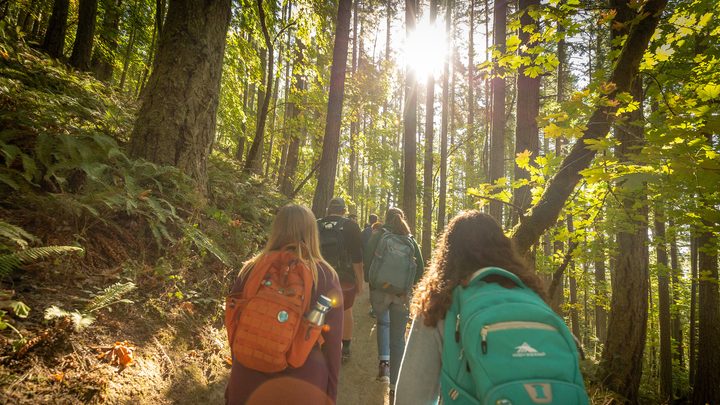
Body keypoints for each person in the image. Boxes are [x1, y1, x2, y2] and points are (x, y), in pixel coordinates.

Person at [393, 211, 549, 405]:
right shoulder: (532, 296)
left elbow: (411, 396)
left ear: (448, 253)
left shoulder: (440, 302)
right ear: (504, 248)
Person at [225, 204, 344, 405]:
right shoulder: (324, 275)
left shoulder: (252, 269)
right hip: (302, 385)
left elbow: (234, 327)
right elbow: (333, 345)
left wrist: (234, 383)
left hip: (247, 383)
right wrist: (330, 395)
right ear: (312, 233)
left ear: (276, 229)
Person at [364, 207, 423, 401]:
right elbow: (420, 269)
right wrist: (406, 286)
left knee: (382, 324)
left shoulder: (379, 235)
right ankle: (395, 384)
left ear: (386, 218)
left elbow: (367, 258)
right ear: (402, 218)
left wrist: (371, 282)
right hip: (401, 295)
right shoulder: (410, 239)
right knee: (398, 338)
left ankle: (384, 368)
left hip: (380, 291)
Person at [317, 197, 364, 363]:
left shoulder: (316, 224)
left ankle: (318, 344)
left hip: (320, 275)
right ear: (343, 211)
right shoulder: (351, 226)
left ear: (329, 209)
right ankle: (345, 348)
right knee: (346, 311)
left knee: (320, 309)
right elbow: (357, 257)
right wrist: (360, 281)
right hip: (344, 278)